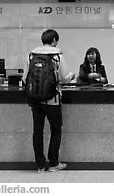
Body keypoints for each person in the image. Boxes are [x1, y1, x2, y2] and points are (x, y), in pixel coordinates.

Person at [24, 29, 75, 173]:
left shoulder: (31, 55)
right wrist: (71, 76)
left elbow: (25, 78)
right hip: (53, 99)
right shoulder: (56, 55)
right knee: (56, 130)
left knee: (37, 132)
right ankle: (53, 163)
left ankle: (40, 165)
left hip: (35, 101)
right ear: (54, 41)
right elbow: (64, 77)